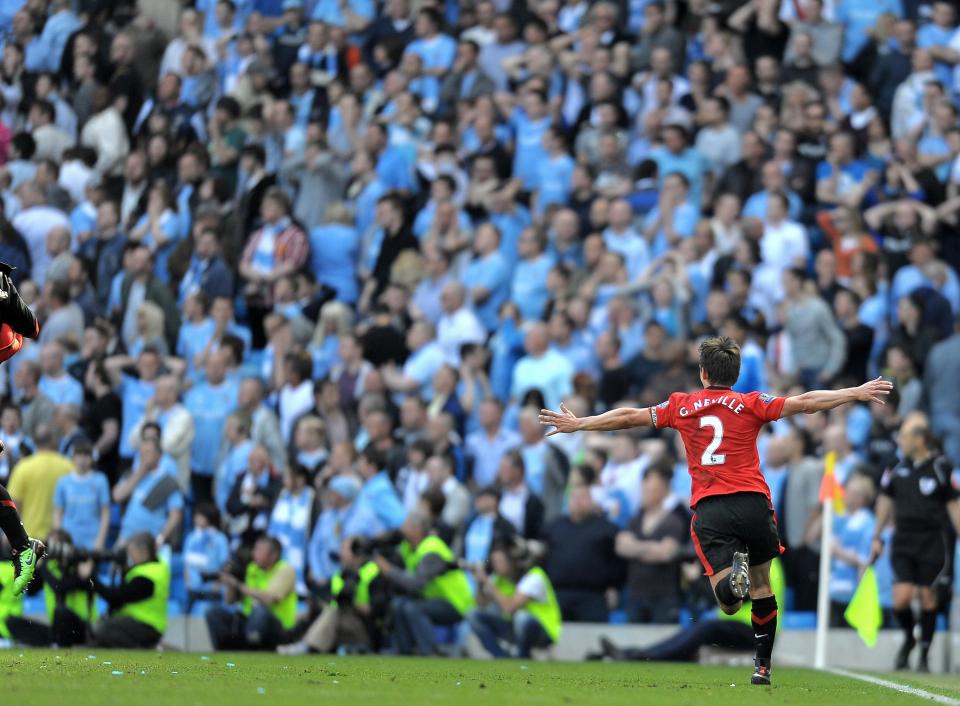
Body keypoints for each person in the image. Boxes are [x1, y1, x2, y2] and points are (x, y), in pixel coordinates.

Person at [539, 336, 893, 685]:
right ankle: (762, 667)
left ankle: (731, 585)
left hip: (712, 507)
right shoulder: (752, 402)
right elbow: (805, 403)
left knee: (727, 604)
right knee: (762, 586)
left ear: (703, 374)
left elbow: (630, 417)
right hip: (754, 502)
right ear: (735, 376)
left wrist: (581, 423)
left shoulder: (681, 405)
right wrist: (853, 392)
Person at [870, 412, 960, 673]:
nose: (900, 440)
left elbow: (953, 504)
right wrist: (877, 535)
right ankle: (909, 638)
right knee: (901, 598)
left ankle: (923, 653)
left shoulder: (941, 468)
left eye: (905, 435)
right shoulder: (895, 467)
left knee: (928, 597)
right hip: (903, 539)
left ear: (919, 439)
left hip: (932, 540)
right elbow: (885, 500)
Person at [375, 511, 475, 655]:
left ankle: (431, 652)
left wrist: (389, 570)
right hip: (434, 598)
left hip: (455, 602)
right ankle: (404, 652)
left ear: (417, 530)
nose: (402, 529)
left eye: (406, 525)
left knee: (412, 608)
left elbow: (416, 584)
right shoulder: (409, 547)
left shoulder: (431, 549)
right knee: (398, 604)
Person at [468, 539, 562, 658]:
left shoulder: (534, 576)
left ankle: (523, 656)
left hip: (543, 630)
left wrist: (488, 583)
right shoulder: (499, 579)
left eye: (500, 561)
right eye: (494, 561)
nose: (496, 565)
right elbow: (481, 604)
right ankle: (501, 657)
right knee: (474, 614)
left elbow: (509, 608)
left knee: (521, 617)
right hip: (514, 627)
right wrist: (481, 584)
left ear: (512, 561)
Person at [205, 535, 298, 651]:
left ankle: (252, 651)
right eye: (255, 549)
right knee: (214, 613)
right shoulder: (252, 568)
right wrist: (230, 584)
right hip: (249, 623)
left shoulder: (285, 570)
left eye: (259, 550)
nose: (254, 553)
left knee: (259, 610)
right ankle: (223, 652)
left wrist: (238, 585)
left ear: (273, 555)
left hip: (278, 627)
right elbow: (230, 601)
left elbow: (269, 598)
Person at [90, 532, 171, 648]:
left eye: (130, 552)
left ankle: (146, 650)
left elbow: (117, 597)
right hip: (138, 622)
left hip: (147, 625)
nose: (128, 556)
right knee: (103, 628)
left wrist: (92, 582)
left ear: (143, 551)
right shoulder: (153, 567)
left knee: (106, 629)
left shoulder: (148, 576)